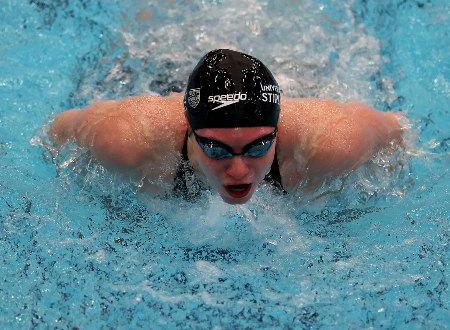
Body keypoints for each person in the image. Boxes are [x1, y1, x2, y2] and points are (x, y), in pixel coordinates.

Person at [49, 49, 403, 204]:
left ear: (278, 130)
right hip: (167, 73)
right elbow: (58, 130)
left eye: (259, 147)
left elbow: (397, 131)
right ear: (189, 130)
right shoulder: (131, 139)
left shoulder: (328, 142)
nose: (239, 170)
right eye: (217, 149)